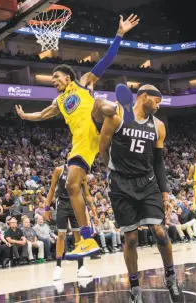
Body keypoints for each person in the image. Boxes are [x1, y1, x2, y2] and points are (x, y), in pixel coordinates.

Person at [15, 14, 139, 259]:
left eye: (56, 78)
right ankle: (87, 239)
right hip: (82, 144)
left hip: (97, 122)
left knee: (99, 104)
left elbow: (105, 62)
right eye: (52, 80)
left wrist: (119, 35)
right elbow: (42, 114)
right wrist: (24, 116)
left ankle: (122, 112)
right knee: (71, 185)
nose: (53, 81)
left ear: (67, 78)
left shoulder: (82, 83)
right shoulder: (59, 102)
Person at [99, 84, 184, 303]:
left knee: (160, 231)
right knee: (131, 238)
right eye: (156, 101)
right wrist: (112, 170)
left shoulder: (159, 126)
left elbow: (158, 161)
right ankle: (135, 290)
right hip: (121, 184)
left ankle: (171, 277)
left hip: (147, 183)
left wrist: (165, 193)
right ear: (144, 96)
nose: (158, 105)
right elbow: (102, 147)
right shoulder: (117, 117)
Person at [44, 164, 98, 280]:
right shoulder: (59, 170)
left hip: (76, 204)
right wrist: (47, 208)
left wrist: (93, 210)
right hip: (62, 204)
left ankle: (81, 267)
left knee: (78, 236)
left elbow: (87, 195)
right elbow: (52, 189)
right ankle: (58, 266)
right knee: (61, 235)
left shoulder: (81, 173)